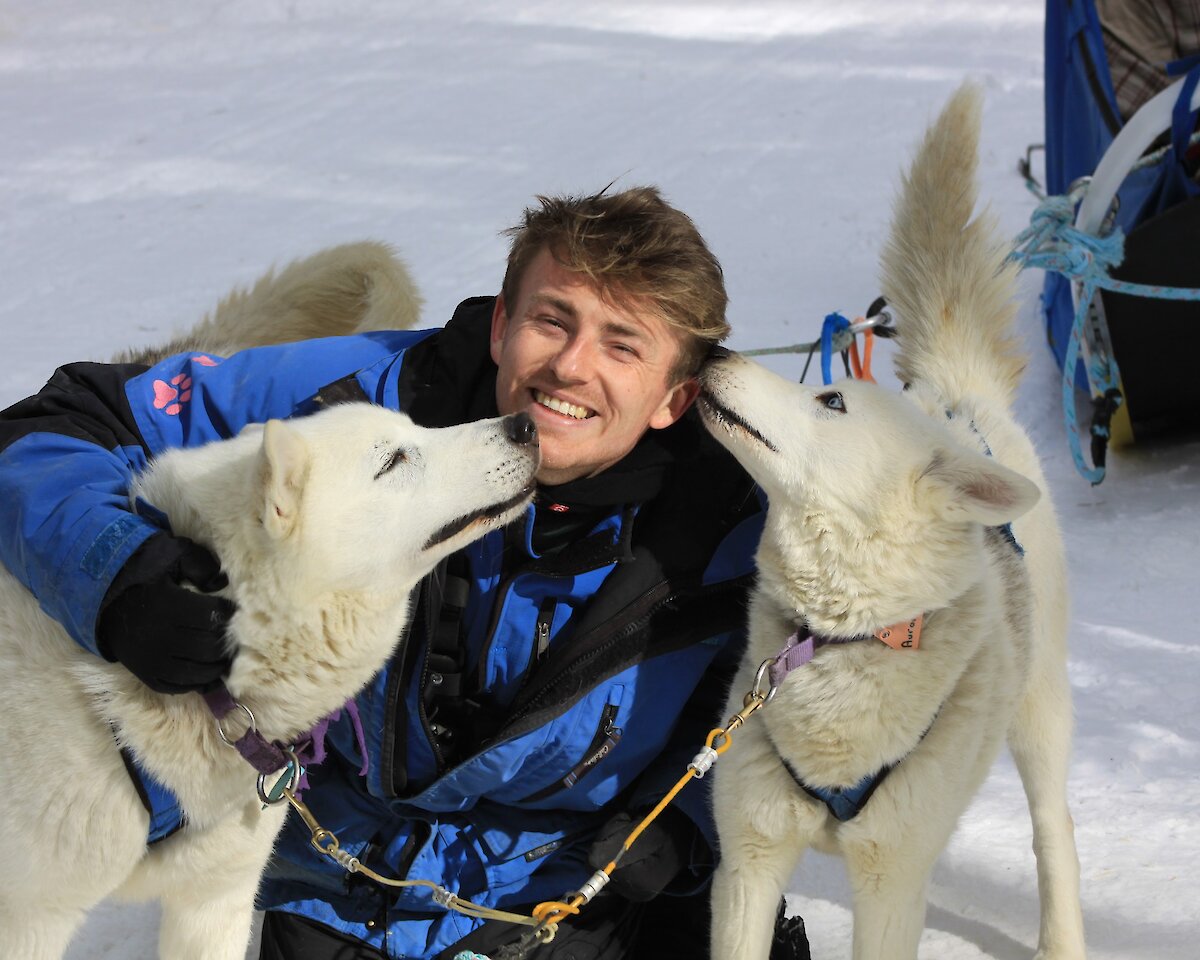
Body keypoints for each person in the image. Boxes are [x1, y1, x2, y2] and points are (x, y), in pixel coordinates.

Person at [0, 187, 808, 959]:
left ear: (675, 396)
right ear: (501, 326)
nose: (570, 365)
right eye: (551, 320)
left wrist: (685, 832)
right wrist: (116, 575)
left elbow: (796, 704)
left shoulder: (739, 522)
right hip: (336, 884)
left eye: (621, 345)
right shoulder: (354, 407)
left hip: (570, 898)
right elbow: (57, 426)